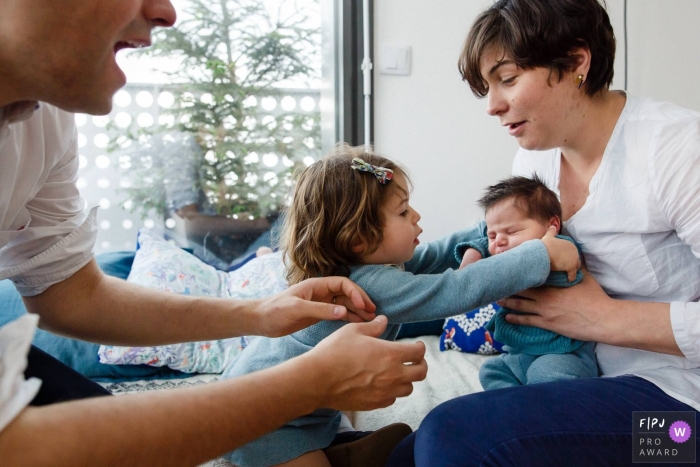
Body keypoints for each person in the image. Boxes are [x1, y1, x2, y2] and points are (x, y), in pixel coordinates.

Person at [0, 1, 433, 465]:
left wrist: (259, 313)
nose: (166, 11)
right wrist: (307, 385)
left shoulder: (42, 120)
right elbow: (22, 448)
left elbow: (71, 297)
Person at [387, 0, 700, 465]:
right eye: (487, 88)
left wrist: (602, 318)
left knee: (453, 436)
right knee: (408, 455)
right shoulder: (534, 161)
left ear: (576, 63)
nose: (492, 106)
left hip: (681, 422)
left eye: (508, 79)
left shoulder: (678, 150)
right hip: (586, 381)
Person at [221, 145, 581, 467]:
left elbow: (437, 254)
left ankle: (342, 447)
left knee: (328, 417)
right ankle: (329, 453)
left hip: (289, 406)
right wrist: (539, 252)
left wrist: (489, 229)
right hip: (262, 423)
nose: (417, 217)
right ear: (360, 238)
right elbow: (455, 290)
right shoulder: (373, 284)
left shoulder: (372, 270)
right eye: (403, 211)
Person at [456, 175, 596, 390]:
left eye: (512, 232)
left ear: (553, 226)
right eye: (492, 235)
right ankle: (514, 406)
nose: (500, 241)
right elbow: (485, 247)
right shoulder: (504, 252)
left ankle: (537, 410)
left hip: (563, 353)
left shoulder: (559, 249)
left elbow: (533, 260)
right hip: (519, 354)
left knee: (546, 375)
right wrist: (475, 250)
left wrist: (485, 251)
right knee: (491, 370)